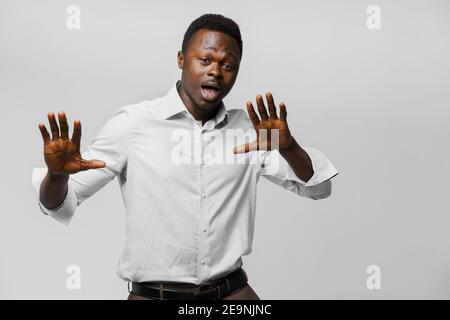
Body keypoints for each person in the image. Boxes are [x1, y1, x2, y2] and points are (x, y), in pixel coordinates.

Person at [31, 13, 339, 300]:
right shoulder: (133, 125)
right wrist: (57, 176)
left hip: (233, 295)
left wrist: (288, 147)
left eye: (228, 65)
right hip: (154, 296)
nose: (216, 71)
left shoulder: (249, 131)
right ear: (181, 59)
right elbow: (58, 204)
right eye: (205, 59)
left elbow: (318, 187)